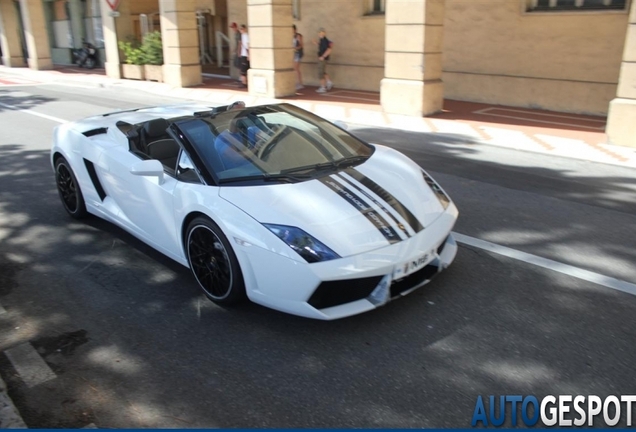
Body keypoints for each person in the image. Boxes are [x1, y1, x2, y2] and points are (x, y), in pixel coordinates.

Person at [312, 27, 333, 93]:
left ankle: (323, 87)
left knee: (320, 73)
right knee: (323, 71)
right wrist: (316, 43)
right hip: (322, 58)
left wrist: (323, 57)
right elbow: (322, 47)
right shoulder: (322, 40)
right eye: (319, 32)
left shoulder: (325, 41)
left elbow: (329, 49)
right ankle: (329, 82)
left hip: (322, 59)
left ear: (324, 33)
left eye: (322, 32)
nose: (320, 34)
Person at [292, 25, 304, 90]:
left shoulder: (298, 36)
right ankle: (297, 82)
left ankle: (300, 83)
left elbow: (301, 45)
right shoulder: (290, 36)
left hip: (298, 53)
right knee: (294, 68)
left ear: (295, 29)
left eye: (292, 29)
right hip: (293, 53)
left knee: (296, 68)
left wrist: (295, 48)